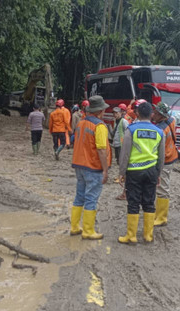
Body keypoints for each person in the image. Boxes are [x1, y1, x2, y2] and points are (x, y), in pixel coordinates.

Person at [117, 102, 165, 244]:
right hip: (151, 171)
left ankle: (131, 236)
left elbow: (125, 153)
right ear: (151, 114)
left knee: (133, 202)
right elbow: (161, 156)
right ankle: (148, 236)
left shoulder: (131, 130)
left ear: (137, 114)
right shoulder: (159, 132)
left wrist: (121, 172)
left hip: (134, 172)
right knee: (149, 202)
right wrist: (158, 174)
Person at [69, 95, 112, 240]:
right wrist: (105, 170)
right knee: (91, 198)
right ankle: (88, 231)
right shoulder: (99, 126)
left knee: (79, 196)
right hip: (93, 167)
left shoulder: (81, 123)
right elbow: (101, 149)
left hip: (79, 165)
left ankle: (75, 227)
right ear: (100, 111)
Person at [152, 102, 179, 226]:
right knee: (162, 186)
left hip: (165, 160)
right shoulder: (172, 121)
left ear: (162, 116)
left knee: (162, 188)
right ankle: (159, 214)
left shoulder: (161, 129)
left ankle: (162, 217)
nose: (153, 114)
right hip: (171, 155)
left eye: (156, 113)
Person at [111, 104, 130, 182]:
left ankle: (123, 177)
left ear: (120, 113)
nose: (115, 115)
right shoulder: (116, 121)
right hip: (117, 144)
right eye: (114, 113)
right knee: (118, 160)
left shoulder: (124, 121)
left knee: (122, 161)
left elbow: (128, 131)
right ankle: (121, 176)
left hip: (121, 144)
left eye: (117, 113)